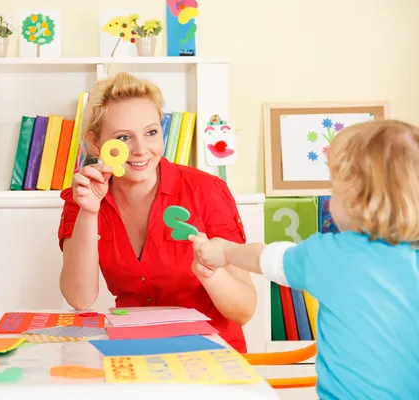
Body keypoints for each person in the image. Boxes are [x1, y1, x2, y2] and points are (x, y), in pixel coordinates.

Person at [189, 119, 419, 399]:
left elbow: (264, 257)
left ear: (355, 201)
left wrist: (225, 252)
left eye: (334, 190)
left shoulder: (330, 254)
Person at [57, 72, 256, 353]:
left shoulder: (207, 191)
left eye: (151, 132)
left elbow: (244, 311)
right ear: (97, 144)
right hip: (135, 352)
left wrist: (210, 274)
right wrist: (89, 212)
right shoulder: (83, 196)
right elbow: (80, 299)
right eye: (124, 137)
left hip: (211, 354)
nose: (141, 150)